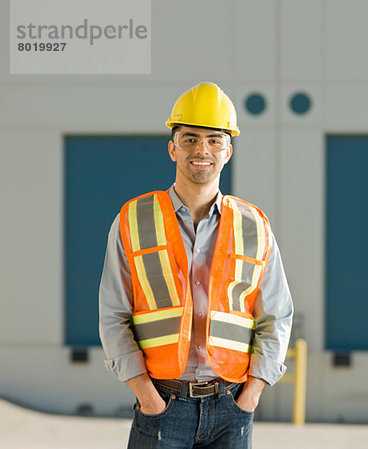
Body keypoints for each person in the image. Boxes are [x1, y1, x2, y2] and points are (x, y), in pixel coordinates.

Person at [99, 82, 294, 449]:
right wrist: (146, 396)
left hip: (231, 406)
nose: (201, 149)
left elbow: (277, 316)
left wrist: (251, 394)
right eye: (190, 139)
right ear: (172, 148)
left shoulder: (253, 225)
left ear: (228, 151)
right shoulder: (133, 219)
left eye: (214, 140)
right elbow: (113, 315)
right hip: (162, 404)